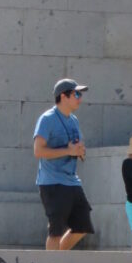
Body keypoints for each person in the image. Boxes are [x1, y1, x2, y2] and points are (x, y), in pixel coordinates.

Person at [33, 78, 95, 250]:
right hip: (52, 182)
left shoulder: (73, 120)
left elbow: (76, 146)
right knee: (56, 231)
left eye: (80, 94)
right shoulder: (47, 119)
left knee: (82, 227)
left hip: (72, 181)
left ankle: (57, 260)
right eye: (76, 94)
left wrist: (80, 151)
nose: (80, 98)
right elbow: (38, 151)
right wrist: (68, 151)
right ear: (63, 96)